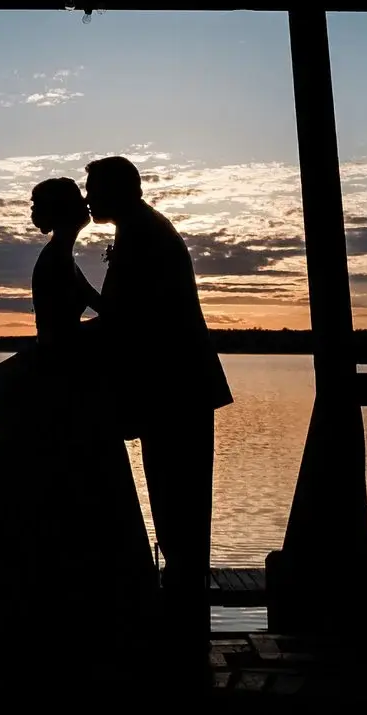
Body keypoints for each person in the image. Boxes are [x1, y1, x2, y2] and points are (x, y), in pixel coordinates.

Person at [0, 177, 156, 653]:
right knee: (64, 492)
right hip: (59, 393)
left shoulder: (63, 259)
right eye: (76, 201)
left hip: (61, 385)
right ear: (64, 212)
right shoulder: (55, 260)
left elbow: (104, 315)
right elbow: (62, 336)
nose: (85, 205)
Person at [83, 153, 233, 650]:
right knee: (178, 506)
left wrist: (73, 336)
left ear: (120, 189)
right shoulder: (143, 230)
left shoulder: (144, 237)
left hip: (175, 390)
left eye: (94, 188)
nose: (88, 198)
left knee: (178, 503)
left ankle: (185, 631)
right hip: (176, 388)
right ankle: (185, 623)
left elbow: (132, 319)